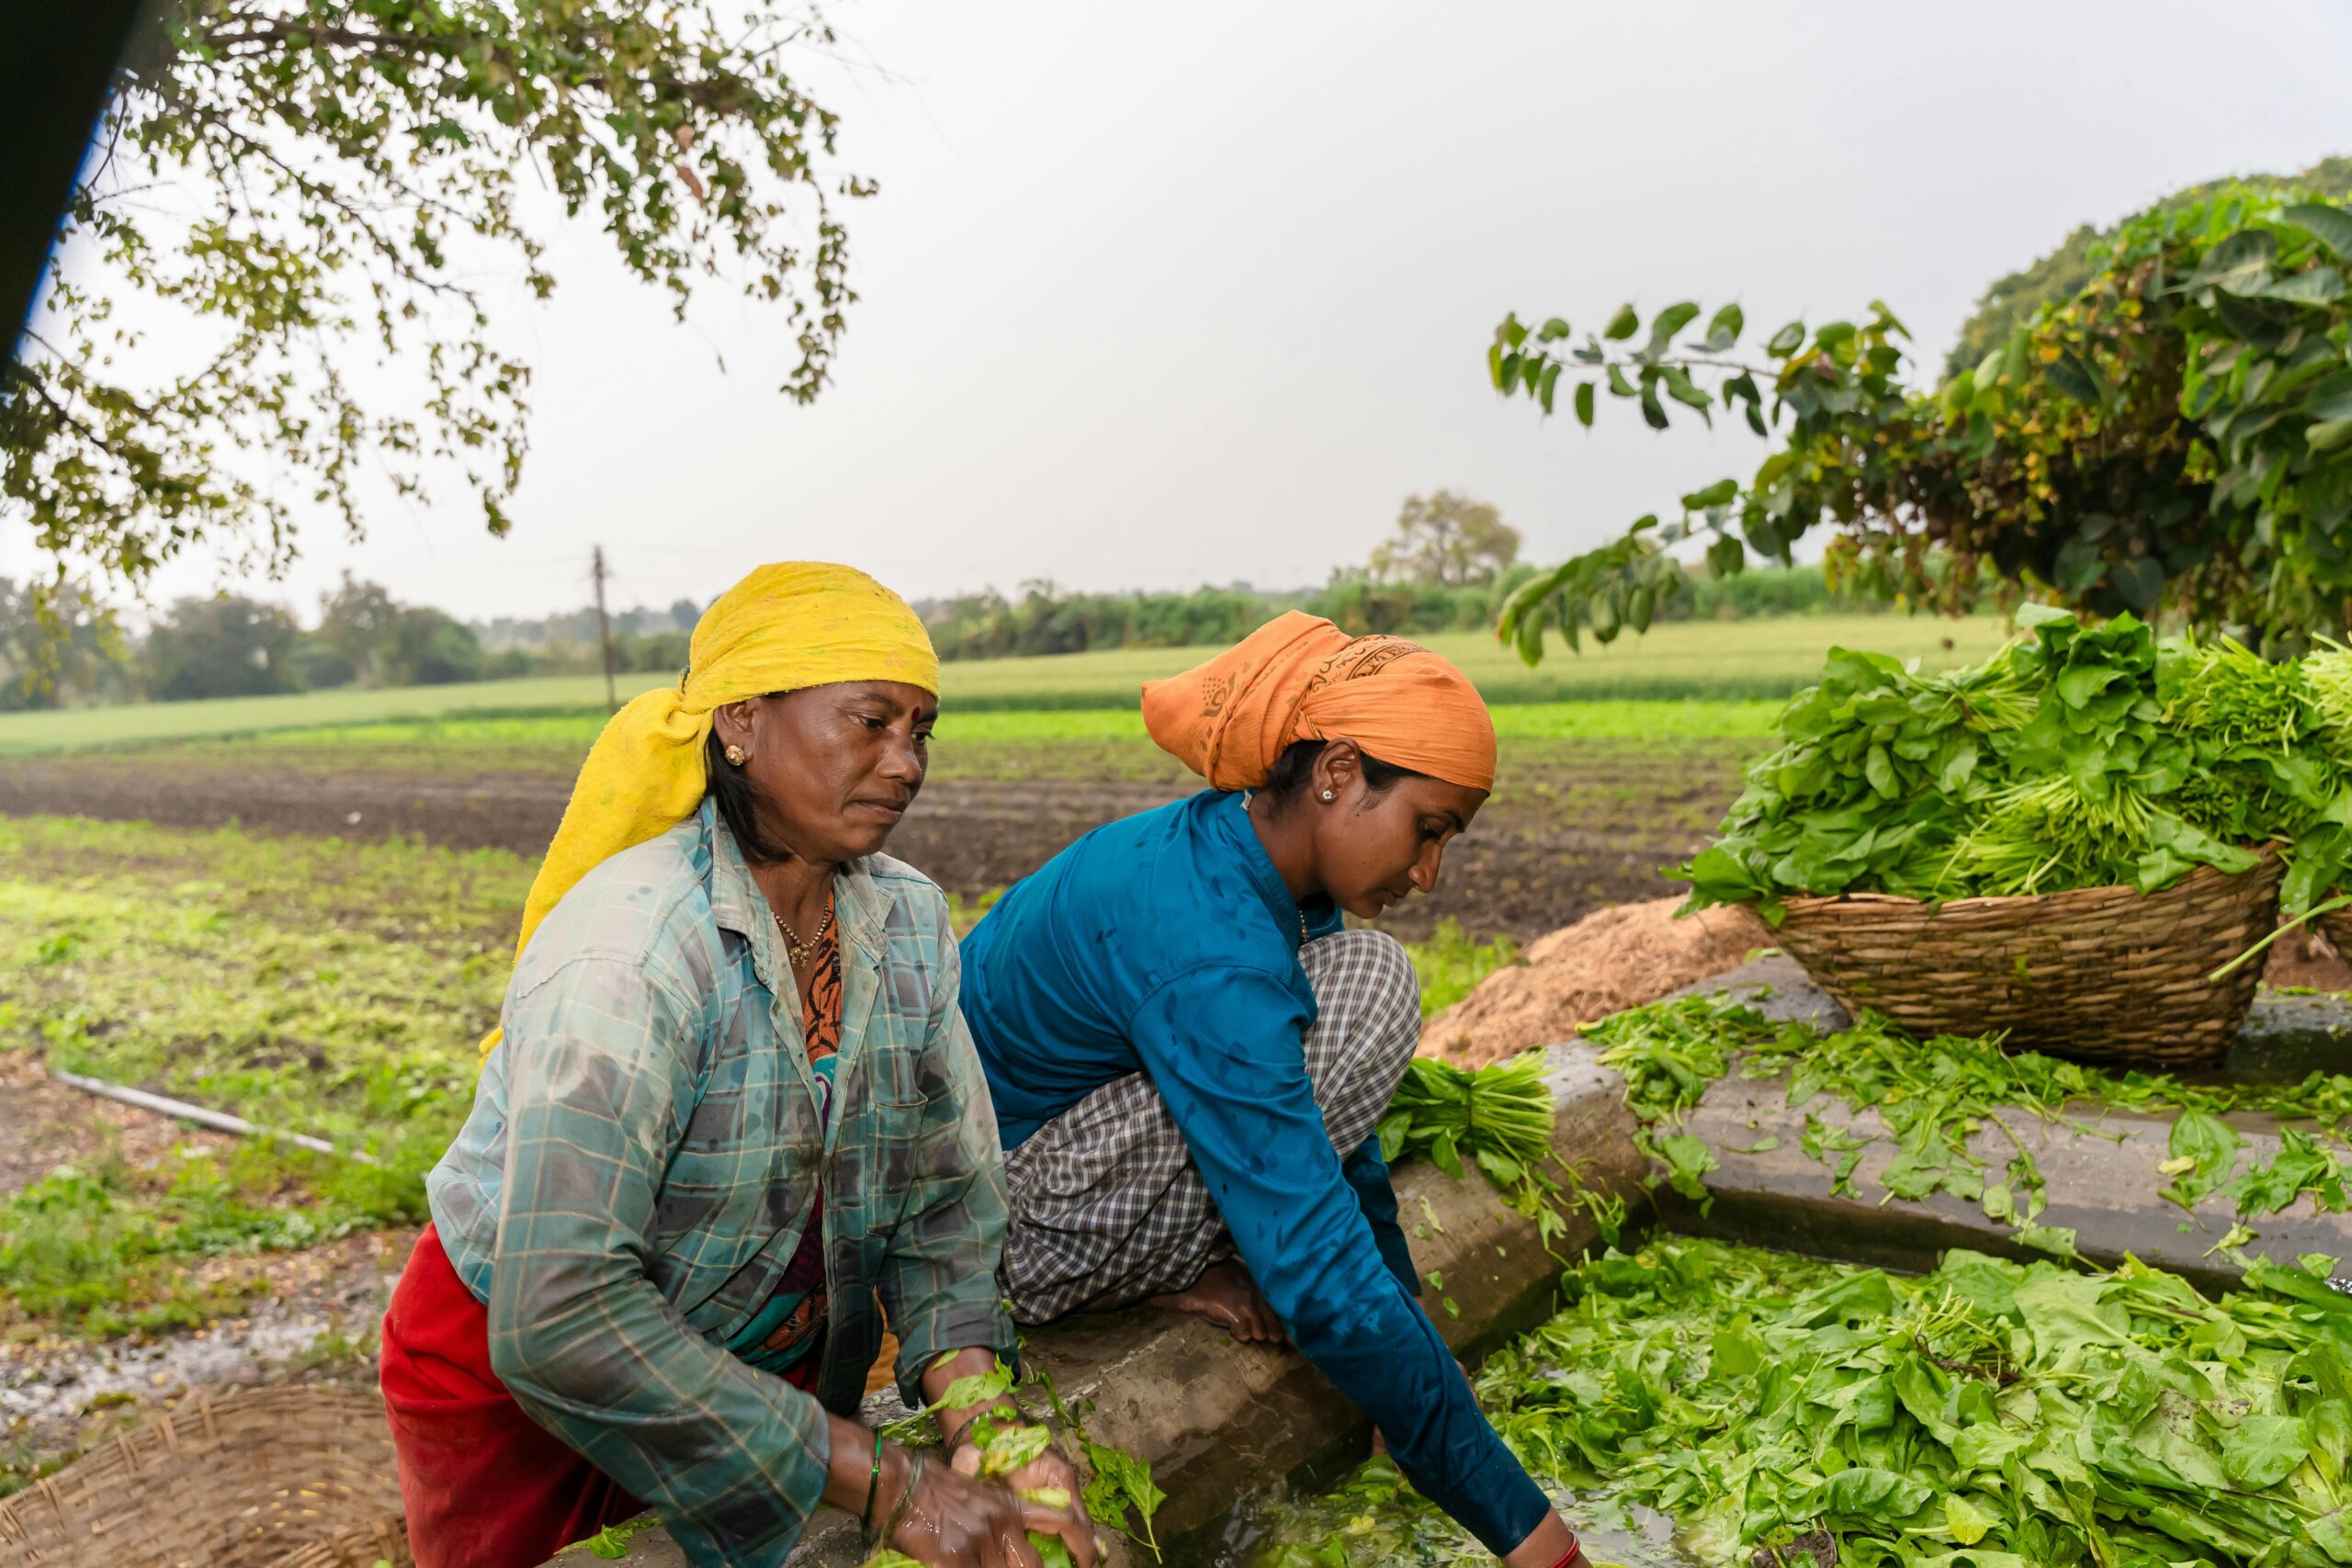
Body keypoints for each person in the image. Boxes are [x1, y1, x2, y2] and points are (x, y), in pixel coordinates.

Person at [378, 564, 1096, 1568]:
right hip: (522, 1379)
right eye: (870, 721)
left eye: (920, 730)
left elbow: (942, 1211)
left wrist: (987, 1427)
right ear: (743, 724)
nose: (905, 763)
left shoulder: (908, 922)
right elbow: (560, 1314)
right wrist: (883, 1479)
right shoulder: (632, 949)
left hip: (738, 1356)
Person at [956, 612, 1590, 1568]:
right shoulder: (1205, 939)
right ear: (1336, 774)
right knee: (1362, 996)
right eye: (1427, 831)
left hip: (1071, 1178)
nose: (1428, 873)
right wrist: (1530, 1533)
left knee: (1360, 983)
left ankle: (1186, 1262)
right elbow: (1311, 1255)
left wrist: (1405, 1339)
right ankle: (1171, 1271)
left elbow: (1340, 1139)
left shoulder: (1250, 866)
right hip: (1000, 1240)